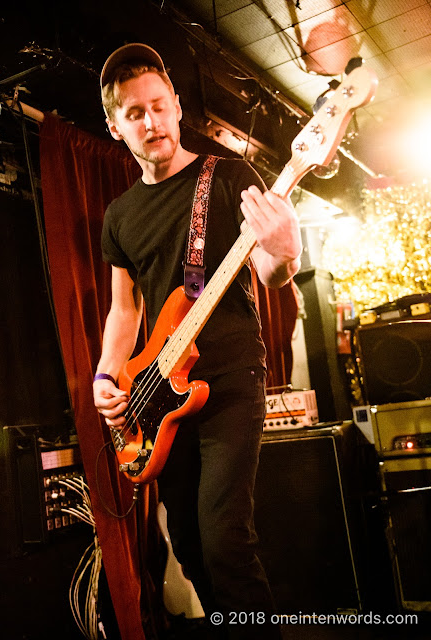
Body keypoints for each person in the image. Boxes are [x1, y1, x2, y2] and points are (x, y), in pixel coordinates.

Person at [93, 43, 302, 639]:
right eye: (135, 113)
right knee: (185, 540)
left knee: (223, 537)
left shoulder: (229, 176)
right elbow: (123, 308)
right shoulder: (119, 216)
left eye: (159, 106)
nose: (151, 121)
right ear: (115, 126)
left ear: (178, 106)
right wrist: (109, 376)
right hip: (159, 392)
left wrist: (285, 253)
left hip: (230, 376)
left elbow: (267, 269)